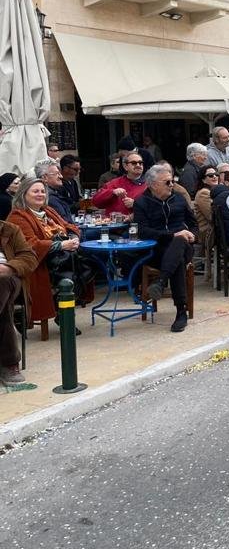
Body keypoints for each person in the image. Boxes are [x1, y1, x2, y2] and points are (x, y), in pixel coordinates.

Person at [6, 177, 88, 332]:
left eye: (43, 191)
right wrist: (61, 245)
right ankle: (64, 314)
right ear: (23, 194)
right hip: (38, 262)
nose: (40, 194)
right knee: (71, 266)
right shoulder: (18, 216)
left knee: (86, 263)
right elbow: (30, 244)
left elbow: (68, 225)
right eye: (35, 191)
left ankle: (64, 311)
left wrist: (74, 238)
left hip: (61, 257)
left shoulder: (47, 210)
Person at [133, 165, 197, 333]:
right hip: (156, 250)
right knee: (178, 257)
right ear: (153, 184)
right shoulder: (141, 202)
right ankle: (180, 311)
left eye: (173, 181)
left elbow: (193, 224)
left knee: (180, 243)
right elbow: (143, 231)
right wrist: (172, 235)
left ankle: (161, 283)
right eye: (167, 182)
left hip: (184, 246)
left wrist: (192, 235)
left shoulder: (179, 199)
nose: (172, 185)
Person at [0, 218, 38, 385]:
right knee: (4, 307)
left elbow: (29, 257)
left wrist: (8, 268)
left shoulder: (9, 229)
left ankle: (9, 364)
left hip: (7, 278)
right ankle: (9, 363)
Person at [91, 152, 147, 218]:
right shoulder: (114, 183)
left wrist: (136, 204)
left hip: (137, 226)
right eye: (134, 163)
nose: (138, 165)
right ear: (125, 166)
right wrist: (112, 192)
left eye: (140, 163)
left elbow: (156, 208)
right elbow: (96, 202)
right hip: (114, 226)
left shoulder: (149, 185)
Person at [192, 164, 219, 279]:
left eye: (216, 174)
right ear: (203, 179)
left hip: (214, 228)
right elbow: (211, 216)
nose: (214, 177)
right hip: (207, 232)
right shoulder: (204, 193)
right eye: (210, 175)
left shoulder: (214, 191)